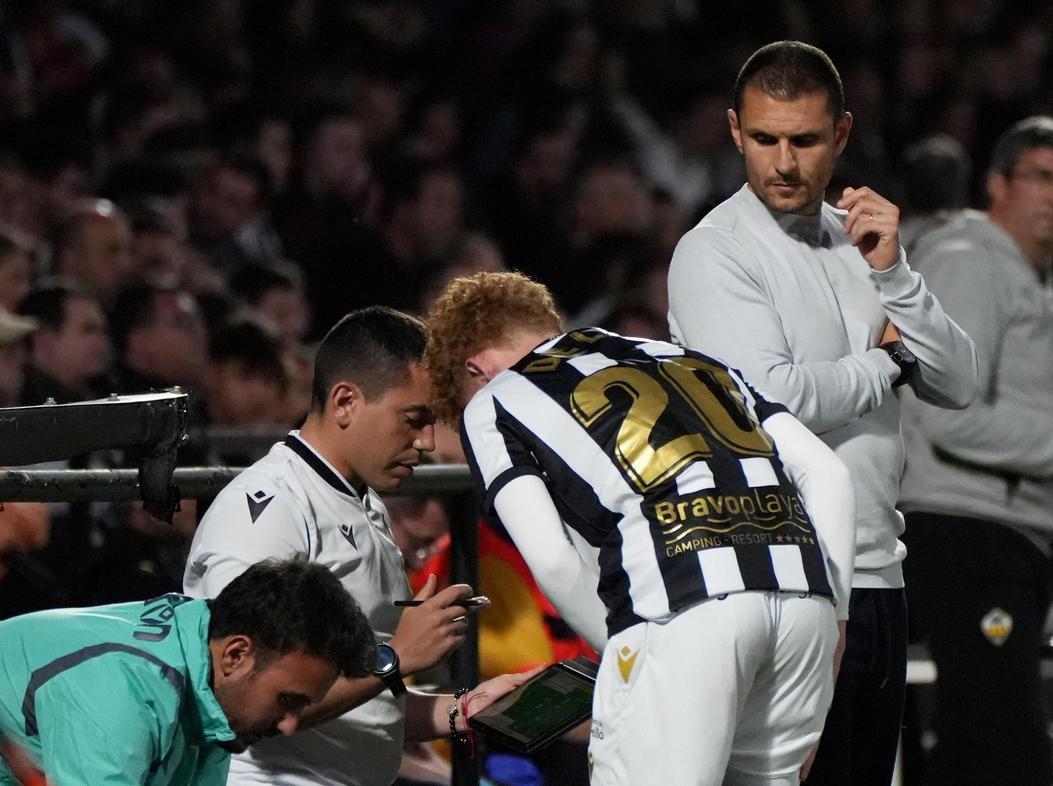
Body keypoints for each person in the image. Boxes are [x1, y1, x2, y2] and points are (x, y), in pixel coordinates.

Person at [666, 41, 978, 786]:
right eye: (765, 139)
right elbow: (769, 400)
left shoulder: (861, 241)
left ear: (839, 135)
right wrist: (888, 361)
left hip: (880, 574)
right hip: (784, 585)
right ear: (735, 131)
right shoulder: (713, 253)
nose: (782, 161)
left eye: (803, 141)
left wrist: (896, 272)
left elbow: (959, 380)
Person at [424, 271, 858, 786]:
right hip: (804, 604)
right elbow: (831, 475)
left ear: (476, 368)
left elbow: (554, 560)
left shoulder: (494, 398)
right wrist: (835, 623)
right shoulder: (698, 361)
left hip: (678, 610)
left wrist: (622, 657)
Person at [184, 306, 537, 786]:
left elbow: (363, 705)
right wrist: (398, 657)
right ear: (345, 401)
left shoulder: (362, 504)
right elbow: (237, 699)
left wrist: (460, 709)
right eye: (413, 419)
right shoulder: (267, 508)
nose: (427, 440)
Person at [898, 116, 1053, 786]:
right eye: (1041, 177)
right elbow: (948, 416)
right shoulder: (971, 261)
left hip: (1006, 536)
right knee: (999, 751)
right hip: (968, 535)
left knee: (987, 746)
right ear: (997, 184)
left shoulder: (1025, 275)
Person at [0, 557, 377, 786]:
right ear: (237, 655)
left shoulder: (209, 683)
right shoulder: (124, 689)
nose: (290, 725)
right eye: (287, 701)